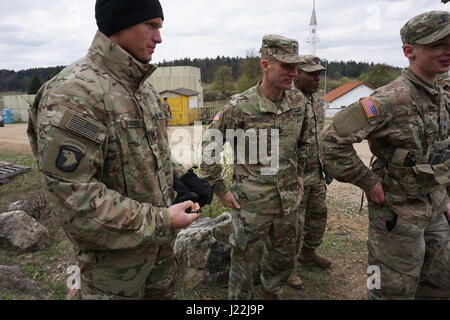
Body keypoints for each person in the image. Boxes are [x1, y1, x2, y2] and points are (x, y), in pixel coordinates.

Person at [27, 0, 203, 300]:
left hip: (160, 260)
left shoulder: (142, 89)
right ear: (120, 23)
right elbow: (75, 201)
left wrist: (182, 177)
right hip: (112, 272)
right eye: (152, 26)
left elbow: (153, 153)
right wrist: (163, 220)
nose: (159, 38)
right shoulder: (75, 92)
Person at [320, 11, 450, 299]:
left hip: (434, 208)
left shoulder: (440, 95)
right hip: (397, 213)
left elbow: (439, 151)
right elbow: (331, 141)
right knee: (390, 291)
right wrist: (367, 181)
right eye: (437, 44)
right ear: (409, 51)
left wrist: (444, 195)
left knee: (440, 284)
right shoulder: (390, 98)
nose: (447, 50)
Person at [200, 34, 309, 300]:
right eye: (286, 66)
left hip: (288, 203)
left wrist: (300, 174)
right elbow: (210, 148)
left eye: (296, 67)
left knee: (282, 258)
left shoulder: (298, 102)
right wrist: (220, 190)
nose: (293, 73)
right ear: (265, 64)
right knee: (243, 264)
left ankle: (271, 294)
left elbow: (304, 142)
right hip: (250, 206)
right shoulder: (240, 106)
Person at [287, 55, 332, 287]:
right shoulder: (286, 101)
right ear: (297, 73)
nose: (317, 78)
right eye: (311, 74)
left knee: (318, 217)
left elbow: (319, 137)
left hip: (317, 173)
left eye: (319, 74)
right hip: (295, 176)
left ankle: (309, 252)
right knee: (295, 224)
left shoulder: (317, 102)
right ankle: (288, 267)